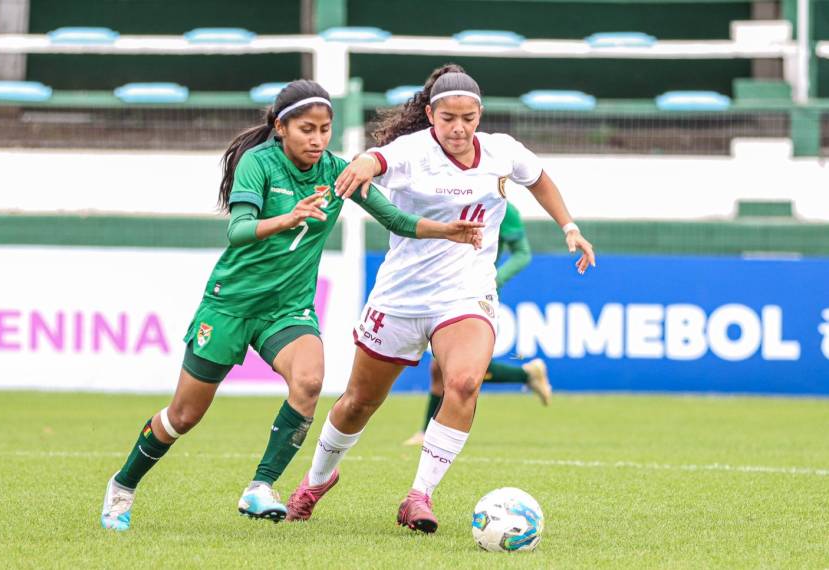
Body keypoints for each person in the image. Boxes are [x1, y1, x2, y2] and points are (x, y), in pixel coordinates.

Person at [99, 79, 484, 531]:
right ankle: (122, 487)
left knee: (309, 381)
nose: (318, 139)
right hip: (231, 306)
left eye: (325, 129)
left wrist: (447, 230)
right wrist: (288, 217)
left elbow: (394, 218)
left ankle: (261, 486)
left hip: (288, 309)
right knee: (184, 414)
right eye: (307, 129)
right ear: (281, 127)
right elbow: (238, 230)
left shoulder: (336, 172)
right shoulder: (257, 165)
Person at [284, 64, 595, 534]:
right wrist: (366, 162)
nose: (459, 128)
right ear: (431, 114)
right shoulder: (412, 152)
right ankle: (317, 480)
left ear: (479, 115)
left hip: (466, 295)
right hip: (401, 298)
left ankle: (419, 495)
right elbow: (377, 161)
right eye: (448, 117)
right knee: (358, 403)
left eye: (468, 117)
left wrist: (569, 227)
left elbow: (539, 179)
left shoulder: (500, 151)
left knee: (465, 382)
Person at [402, 202, 552, 447]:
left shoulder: (504, 208)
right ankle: (526, 374)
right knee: (440, 369)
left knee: (458, 368)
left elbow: (522, 252)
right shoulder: (445, 198)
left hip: (475, 293)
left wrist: (497, 277)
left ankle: (429, 432)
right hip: (441, 289)